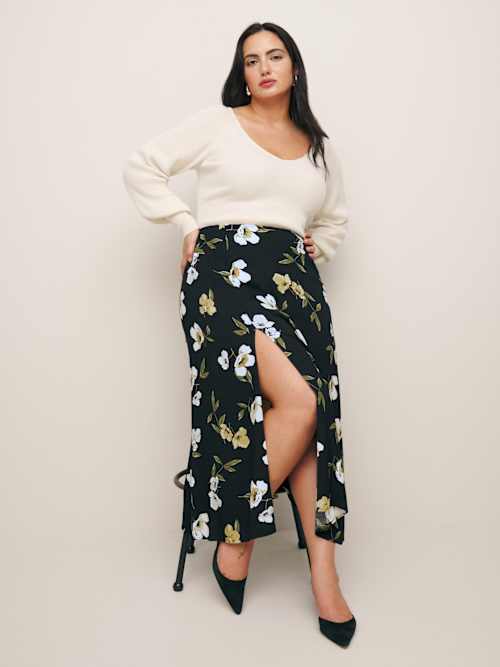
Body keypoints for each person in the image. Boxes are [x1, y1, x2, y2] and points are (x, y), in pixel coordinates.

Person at [122, 21, 356, 648]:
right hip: (224, 274)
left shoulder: (318, 147)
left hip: (294, 284)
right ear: (242, 74)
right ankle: (237, 536)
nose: (264, 68)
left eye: (275, 56)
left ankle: (324, 578)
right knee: (298, 402)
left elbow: (334, 217)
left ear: (294, 68)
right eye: (252, 60)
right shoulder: (218, 124)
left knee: (314, 412)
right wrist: (183, 221)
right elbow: (143, 165)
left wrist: (318, 244)